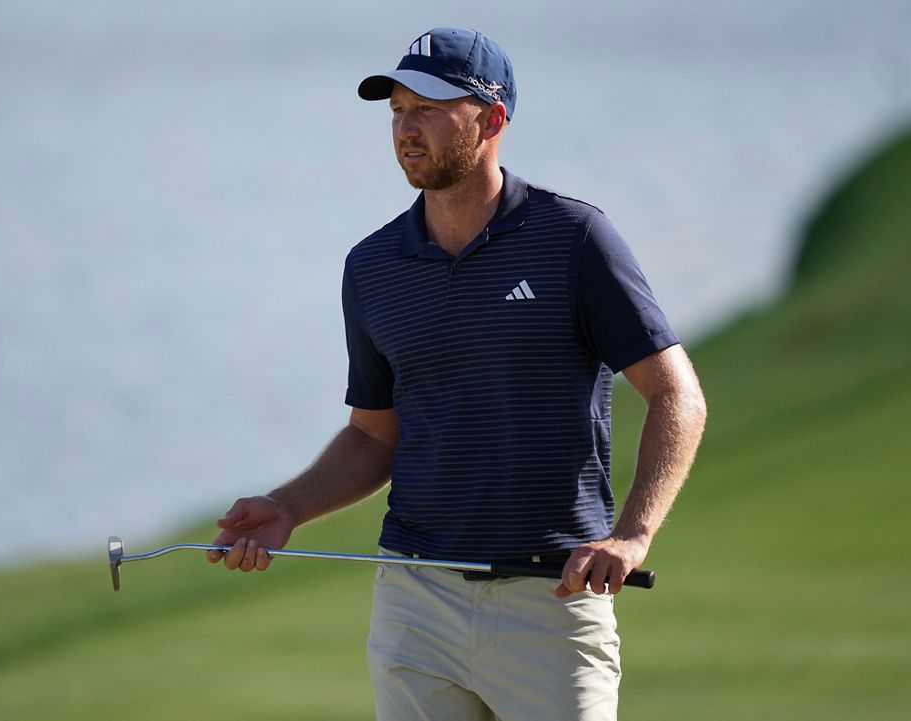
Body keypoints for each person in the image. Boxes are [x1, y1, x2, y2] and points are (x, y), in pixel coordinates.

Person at [208, 26, 706, 721]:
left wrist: (632, 534)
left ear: (492, 118)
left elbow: (675, 392)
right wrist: (290, 505)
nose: (407, 129)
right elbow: (375, 434)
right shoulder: (373, 266)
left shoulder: (574, 239)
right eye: (398, 111)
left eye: (430, 109)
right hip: (416, 603)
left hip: (552, 602)